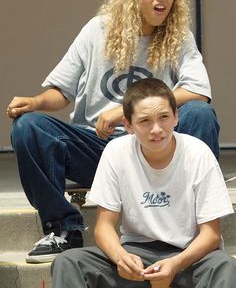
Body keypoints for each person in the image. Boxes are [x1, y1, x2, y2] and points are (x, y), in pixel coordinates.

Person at [7, 0, 219, 263]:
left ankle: (201, 226)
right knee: (29, 127)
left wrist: (126, 111)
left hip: (155, 146)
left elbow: (198, 90)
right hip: (100, 148)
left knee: (200, 114)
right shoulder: (97, 30)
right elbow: (61, 92)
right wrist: (36, 102)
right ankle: (64, 230)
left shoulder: (178, 37)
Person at [51, 78, 235, 288]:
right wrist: (121, 258)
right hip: (136, 254)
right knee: (69, 262)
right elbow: (103, 227)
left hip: (188, 258)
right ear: (128, 125)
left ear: (176, 117)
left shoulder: (198, 153)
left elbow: (211, 235)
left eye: (164, 117)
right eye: (145, 121)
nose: (156, 129)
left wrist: (175, 263)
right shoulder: (116, 152)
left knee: (225, 266)